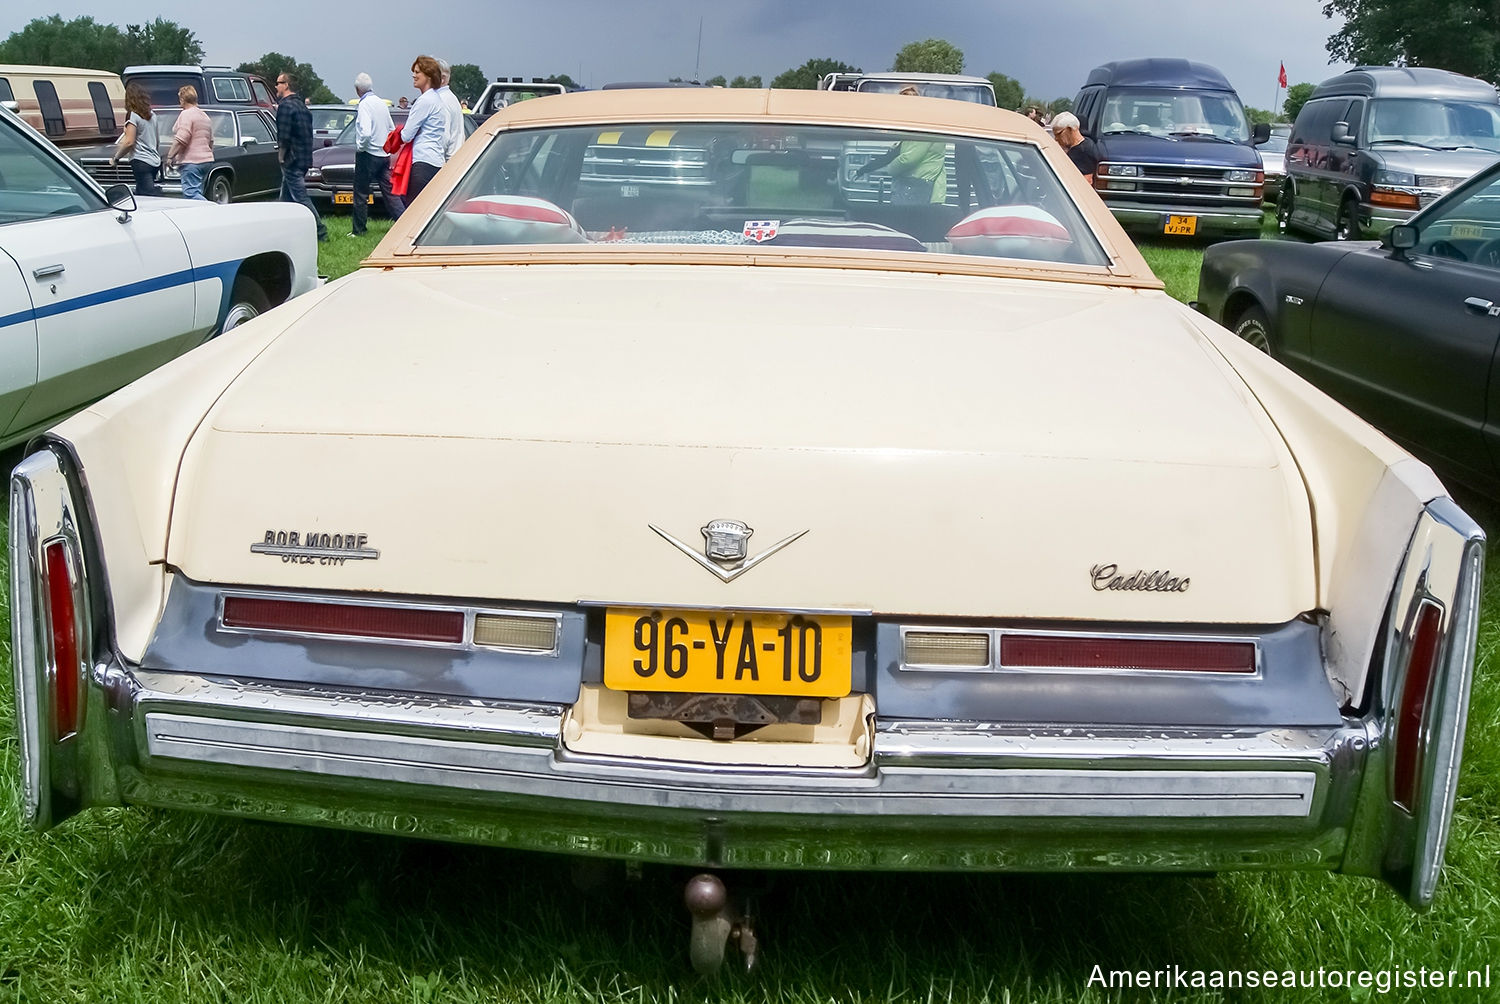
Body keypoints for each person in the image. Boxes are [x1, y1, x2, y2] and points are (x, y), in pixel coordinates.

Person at [851, 85, 947, 204]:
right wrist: (862, 170)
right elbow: (892, 155)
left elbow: (909, 159)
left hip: (919, 187)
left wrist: (890, 169)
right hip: (918, 186)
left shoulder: (923, 127)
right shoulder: (912, 129)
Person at [275, 70, 328, 241]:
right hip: (304, 158)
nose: (276, 86)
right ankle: (281, 230)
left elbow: (284, 136)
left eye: (278, 83)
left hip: (292, 159)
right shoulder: (302, 106)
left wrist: (281, 156)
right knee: (286, 198)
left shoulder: (285, 106)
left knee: (300, 197)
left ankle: (320, 231)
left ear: (286, 85)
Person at [351, 71, 403, 235]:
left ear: (357, 90)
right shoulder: (381, 103)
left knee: (360, 193)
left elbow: (365, 132)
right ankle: (402, 222)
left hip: (368, 154)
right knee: (389, 192)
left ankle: (359, 229)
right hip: (383, 155)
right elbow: (391, 128)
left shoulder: (364, 105)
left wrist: (361, 146)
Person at [400, 55, 449, 203]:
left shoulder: (424, 101)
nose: (413, 75)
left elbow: (406, 135)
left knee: (413, 209)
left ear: (428, 75)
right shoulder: (437, 100)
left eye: (417, 72)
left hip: (423, 161)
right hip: (437, 160)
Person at [110, 82, 162, 196]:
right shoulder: (152, 115)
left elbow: (129, 142)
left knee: (148, 195)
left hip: (141, 160)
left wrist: (116, 158)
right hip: (155, 160)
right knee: (142, 192)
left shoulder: (133, 115)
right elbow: (157, 140)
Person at [165, 85, 214, 200]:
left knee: (190, 194)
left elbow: (182, 138)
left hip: (191, 161)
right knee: (198, 191)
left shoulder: (186, 114)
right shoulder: (204, 116)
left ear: (182, 99)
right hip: (206, 161)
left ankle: (212, 209)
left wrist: (170, 156)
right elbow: (211, 140)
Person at [1050, 111, 1099, 184]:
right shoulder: (1082, 145)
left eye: (1058, 134)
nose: (1056, 138)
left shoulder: (1083, 151)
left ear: (1070, 129)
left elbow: (1087, 180)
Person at [435, 59, 465, 161]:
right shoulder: (451, 98)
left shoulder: (441, 100)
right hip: (455, 157)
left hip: (446, 161)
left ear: (442, 78)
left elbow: (443, 136)